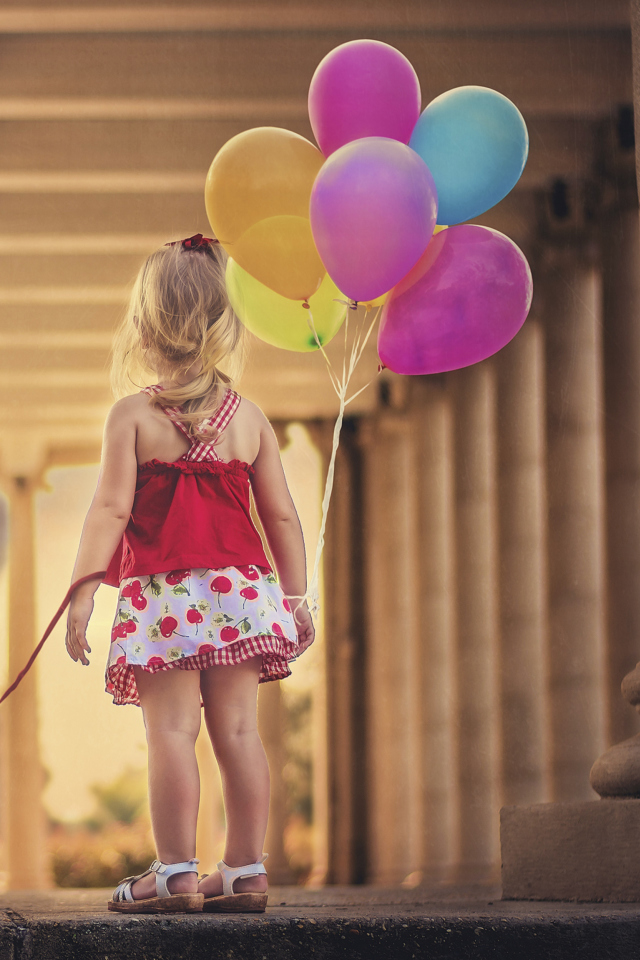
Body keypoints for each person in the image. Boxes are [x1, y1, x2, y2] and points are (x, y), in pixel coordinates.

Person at [64, 234, 315, 914]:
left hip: (165, 597)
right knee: (238, 733)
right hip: (242, 593)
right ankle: (246, 870)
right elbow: (283, 518)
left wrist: (84, 589)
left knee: (170, 733)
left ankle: (175, 873)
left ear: (144, 329)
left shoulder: (133, 418)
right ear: (227, 327)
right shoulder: (250, 421)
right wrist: (294, 598)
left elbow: (111, 508)